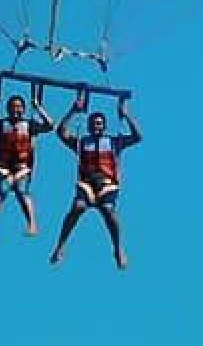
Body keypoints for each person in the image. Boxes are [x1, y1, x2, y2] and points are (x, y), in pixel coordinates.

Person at [50, 90, 142, 269]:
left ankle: (118, 249)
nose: (96, 126)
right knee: (78, 207)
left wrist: (126, 114)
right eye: (93, 124)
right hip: (87, 183)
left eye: (99, 124)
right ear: (89, 126)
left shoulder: (114, 142)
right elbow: (61, 132)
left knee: (108, 210)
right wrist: (73, 111)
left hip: (107, 183)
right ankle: (61, 244)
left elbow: (138, 137)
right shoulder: (82, 142)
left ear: (104, 126)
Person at [0, 82, 53, 237]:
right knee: (1, 191)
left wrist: (38, 107)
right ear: (8, 109)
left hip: (22, 167)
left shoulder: (29, 125)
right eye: (13, 107)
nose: (16, 110)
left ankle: (32, 224)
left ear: (23, 109)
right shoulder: (0, 124)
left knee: (22, 191)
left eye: (19, 107)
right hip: (4, 166)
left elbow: (50, 125)